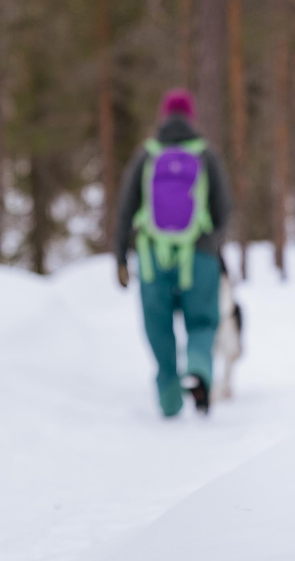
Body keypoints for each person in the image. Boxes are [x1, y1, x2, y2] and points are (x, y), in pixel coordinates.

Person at [114, 89, 233, 417]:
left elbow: (126, 209)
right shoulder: (206, 155)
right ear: (191, 116)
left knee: (158, 325)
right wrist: (213, 243)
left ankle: (168, 395)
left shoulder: (147, 155)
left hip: (153, 257)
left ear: (164, 115)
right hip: (200, 254)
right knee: (202, 322)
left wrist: (121, 257)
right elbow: (224, 210)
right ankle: (197, 367)